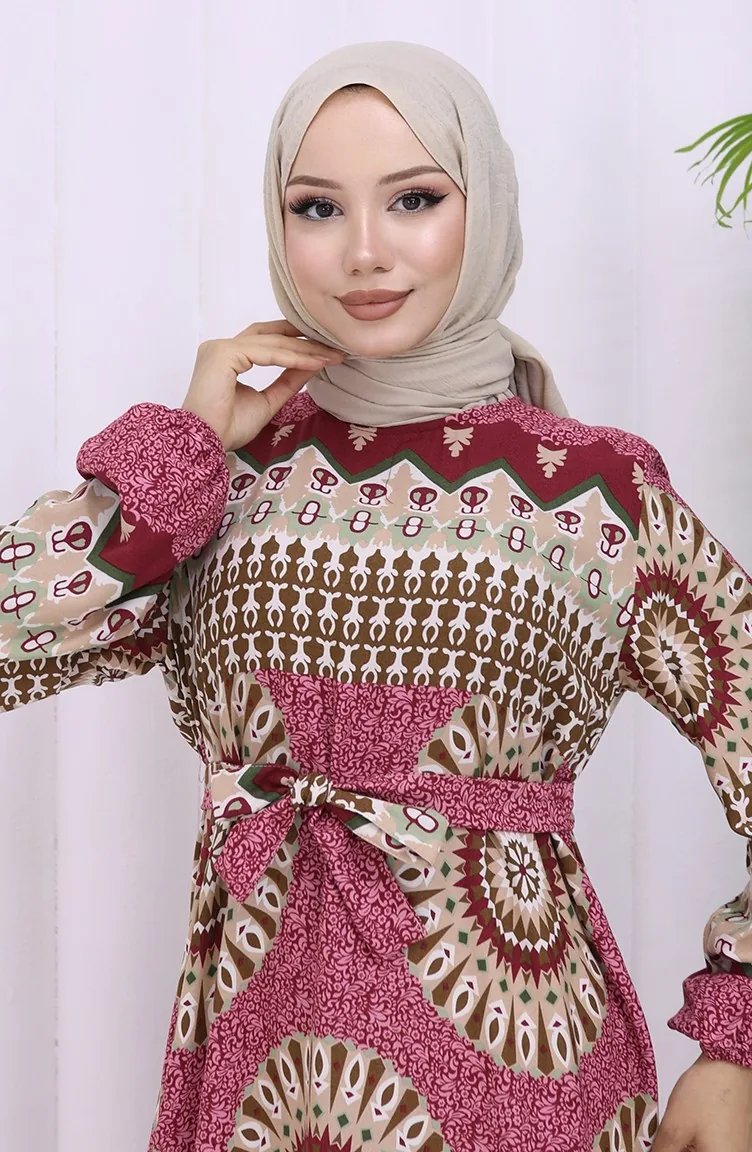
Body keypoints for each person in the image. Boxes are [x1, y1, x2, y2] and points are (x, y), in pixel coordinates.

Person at [2, 39, 751, 1152]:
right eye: (316, 207)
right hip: (260, 1085)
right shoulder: (223, 480)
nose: (363, 252)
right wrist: (183, 456)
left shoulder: (596, 493)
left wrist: (735, 1044)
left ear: (482, 204)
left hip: (516, 1080)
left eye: (413, 199)